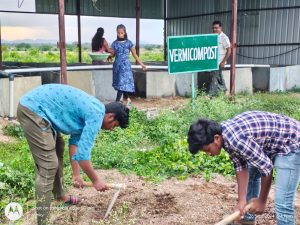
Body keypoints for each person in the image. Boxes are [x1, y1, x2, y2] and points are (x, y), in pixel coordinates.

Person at [17, 84, 130, 225]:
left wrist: (76, 175)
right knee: (48, 165)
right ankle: (42, 220)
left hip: (41, 108)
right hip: (33, 109)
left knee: (59, 146)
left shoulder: (94, 109)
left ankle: (60, 197)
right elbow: (83, 157)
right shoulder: (96, 115)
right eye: (115, 125)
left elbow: (75, 144)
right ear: (110, 117)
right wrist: (96, 180)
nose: (112, 129)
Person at [187, 111, 300, 225]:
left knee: (282, 202)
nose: (209, 154)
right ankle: (247, 218)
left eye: (207, 150)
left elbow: (266, 168)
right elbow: (241, 166)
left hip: (292, 144)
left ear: (216, 138)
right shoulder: (224, 136)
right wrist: (241, 200)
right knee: (251, 174)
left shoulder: (236, 139)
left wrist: (261, 201)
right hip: (270, 144)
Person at [108, 24, 146, 107]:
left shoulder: (129, 43)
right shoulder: (114, 43)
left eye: (121, 33)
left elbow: (135, 55)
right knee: (121, 84)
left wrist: (142, 64)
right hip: (117, 66)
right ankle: (128, 100)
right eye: (118, 33)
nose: (120, 34)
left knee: (122, 83)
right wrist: (109, 56)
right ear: (116, 32)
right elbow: (113, 54)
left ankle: (117, 102)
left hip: (125, 67)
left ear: (125, 32)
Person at [207, 20, 231, 96]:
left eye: (216, 28)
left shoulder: (224, 38)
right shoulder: (213, 37)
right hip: (213, 61)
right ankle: (226, 91)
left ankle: (209, 95)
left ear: (220, 28)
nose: (214, 30)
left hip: (220, 62)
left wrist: (223, 61)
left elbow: (229, 51)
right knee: (219, 76)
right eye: (213, 28)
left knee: (214, 76)